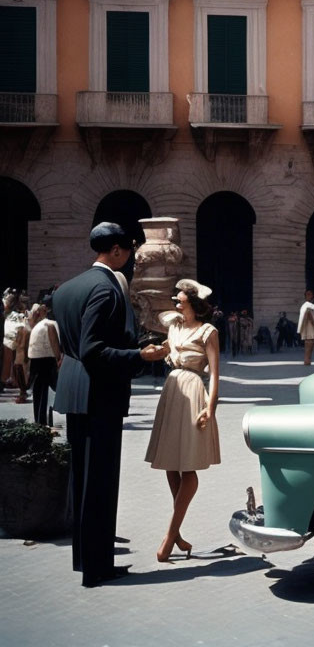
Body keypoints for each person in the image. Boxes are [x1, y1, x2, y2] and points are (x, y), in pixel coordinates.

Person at [53, 222, 168, 587]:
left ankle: (86, 561)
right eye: (129, 250)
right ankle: (97, 568)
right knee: (100, 483)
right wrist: (140, 355)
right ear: (116, 250)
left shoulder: (68, 287)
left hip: (74, 390)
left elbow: (75, 347)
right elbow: (93, 350)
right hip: (98, 393)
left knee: (83, 481)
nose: (131, 258)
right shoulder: (106, 289)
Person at [144, 278, 222, 562]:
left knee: (188, 467)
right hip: (172, 390)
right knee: (170, 462)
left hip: (193, 391)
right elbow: (165, 351)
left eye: (180, 297)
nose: (175, 300)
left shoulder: (208, 331)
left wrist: (210, 406)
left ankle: (168, 536)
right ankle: (177, 534)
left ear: (193, 301)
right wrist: (154, 353)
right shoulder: (174, 326)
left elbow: (214, 373)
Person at [26, 301, 61, 426]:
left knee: (44, 391)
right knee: (40, 391)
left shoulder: (49, 324)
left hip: (45, 360)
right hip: (39, 360)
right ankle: (40, 419)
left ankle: (43, 419)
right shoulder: (41, 324)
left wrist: (58, 357)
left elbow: (53, 340)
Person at [4, 292, 30, 403]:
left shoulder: (23, 317)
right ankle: (21, 392)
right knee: (18, 369)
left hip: (22, 347)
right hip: (18, 346)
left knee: (21, 369)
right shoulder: (19, 316)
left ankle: (22, 393)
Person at [298, 289, 314, 365]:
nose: (309, 296)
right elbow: (310, 316)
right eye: (307, 294)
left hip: (308, 327)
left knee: (310, 343)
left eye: (310, 294)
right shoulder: (307, 305)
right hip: (308, 327)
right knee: (309, 343)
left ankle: (308, 359)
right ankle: (307, 359)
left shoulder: (309, 305)